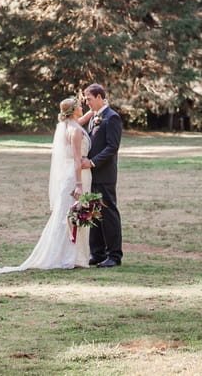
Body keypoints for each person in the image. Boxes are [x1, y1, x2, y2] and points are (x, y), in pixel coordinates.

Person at [0, 97, 92, 272]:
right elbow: (77, 159)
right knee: (72, 214)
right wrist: (78, 184)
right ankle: (67, 256)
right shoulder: (75, 131)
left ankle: (71, 254)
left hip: (71, 173)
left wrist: (95, 111)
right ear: (73, 110)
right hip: (76, 176)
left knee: (70, 214)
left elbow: (80, 122)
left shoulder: (68, 126)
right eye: (79, 106)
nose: (82, 107)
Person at [81, 83, 123, 267]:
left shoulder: (112, 117)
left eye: (89, 98)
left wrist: (92, 162)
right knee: (93, 213)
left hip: (104, 173)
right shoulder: (94, 117)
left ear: (99, 97)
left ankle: (114, 255)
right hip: (91, 175)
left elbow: (112, 147)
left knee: (108, 212)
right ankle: (97, 253)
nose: (86, 102)